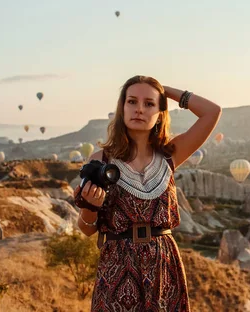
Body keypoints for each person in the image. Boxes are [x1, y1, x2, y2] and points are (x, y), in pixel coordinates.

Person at [74, 75, 222, 311]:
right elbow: (85, 228)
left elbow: (212, 112)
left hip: (163, 265)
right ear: (122, 109)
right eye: (132, 102)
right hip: (117, 267)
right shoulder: (100, 162)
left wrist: (167, 92)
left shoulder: (170, 155)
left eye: (149, 103)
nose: (139, 109)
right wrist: (91, 206)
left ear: (161, 111)